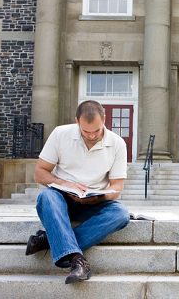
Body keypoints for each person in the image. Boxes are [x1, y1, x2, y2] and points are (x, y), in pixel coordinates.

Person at [25, 100, 130, 284]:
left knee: (120, 213)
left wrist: (99, 198)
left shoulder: (117, 144)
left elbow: (116, 187)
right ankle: (77, 260)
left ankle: (50, 240)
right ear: (77, 122)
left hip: (92, 202)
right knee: (47, 196)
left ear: (104, 119)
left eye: (96, 131)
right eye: (86, 131)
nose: (91, 136)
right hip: (61, 200)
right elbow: (40, 173)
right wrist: (66, 183)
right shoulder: (60, 134)